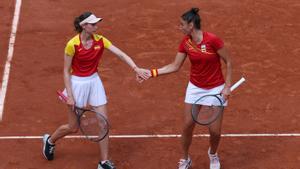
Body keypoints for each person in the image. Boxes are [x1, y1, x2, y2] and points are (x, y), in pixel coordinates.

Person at [42, 12, 149, 169]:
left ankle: (104, 162)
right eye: (93, 24)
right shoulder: (72, 44)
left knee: (103, 123)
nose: (96, 26)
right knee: (73, 127)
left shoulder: (101, 40)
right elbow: (66, 71)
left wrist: (136, 68)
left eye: (96, 23)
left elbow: (120, 54)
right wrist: (70, 95)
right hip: (77, 83)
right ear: (84, 26)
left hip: (94, 82)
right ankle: (50, 140)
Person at [145, 8, 232, 169]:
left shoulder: (213, 40)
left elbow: (229, 62)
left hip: (216, 89)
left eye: (182, 24)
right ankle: (185, 159)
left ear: (191, 25)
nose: (179, 27)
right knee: (187, 126)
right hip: (195, 88)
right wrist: (152, 73)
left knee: (215, 131)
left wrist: (227, 87)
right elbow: (175, 66)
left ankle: (213, 154)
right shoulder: (185, 42)